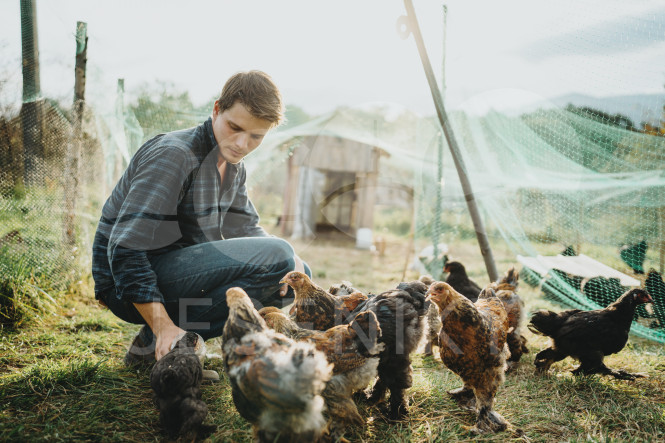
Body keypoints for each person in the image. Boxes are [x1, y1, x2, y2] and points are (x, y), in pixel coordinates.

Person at [92, 70, 308, 368]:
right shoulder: (175, 155)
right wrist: (162, 324)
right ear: (217, 109)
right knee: (280, 257)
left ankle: (150, 349)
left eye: (255, 136)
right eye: (235, 127)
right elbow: (125, 250)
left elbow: (245, 227)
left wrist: (293, 259)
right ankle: (164, 333)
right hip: (123, 283)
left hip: (177, 272)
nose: (242, 144)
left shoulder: (233, 166)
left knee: (293, 274)